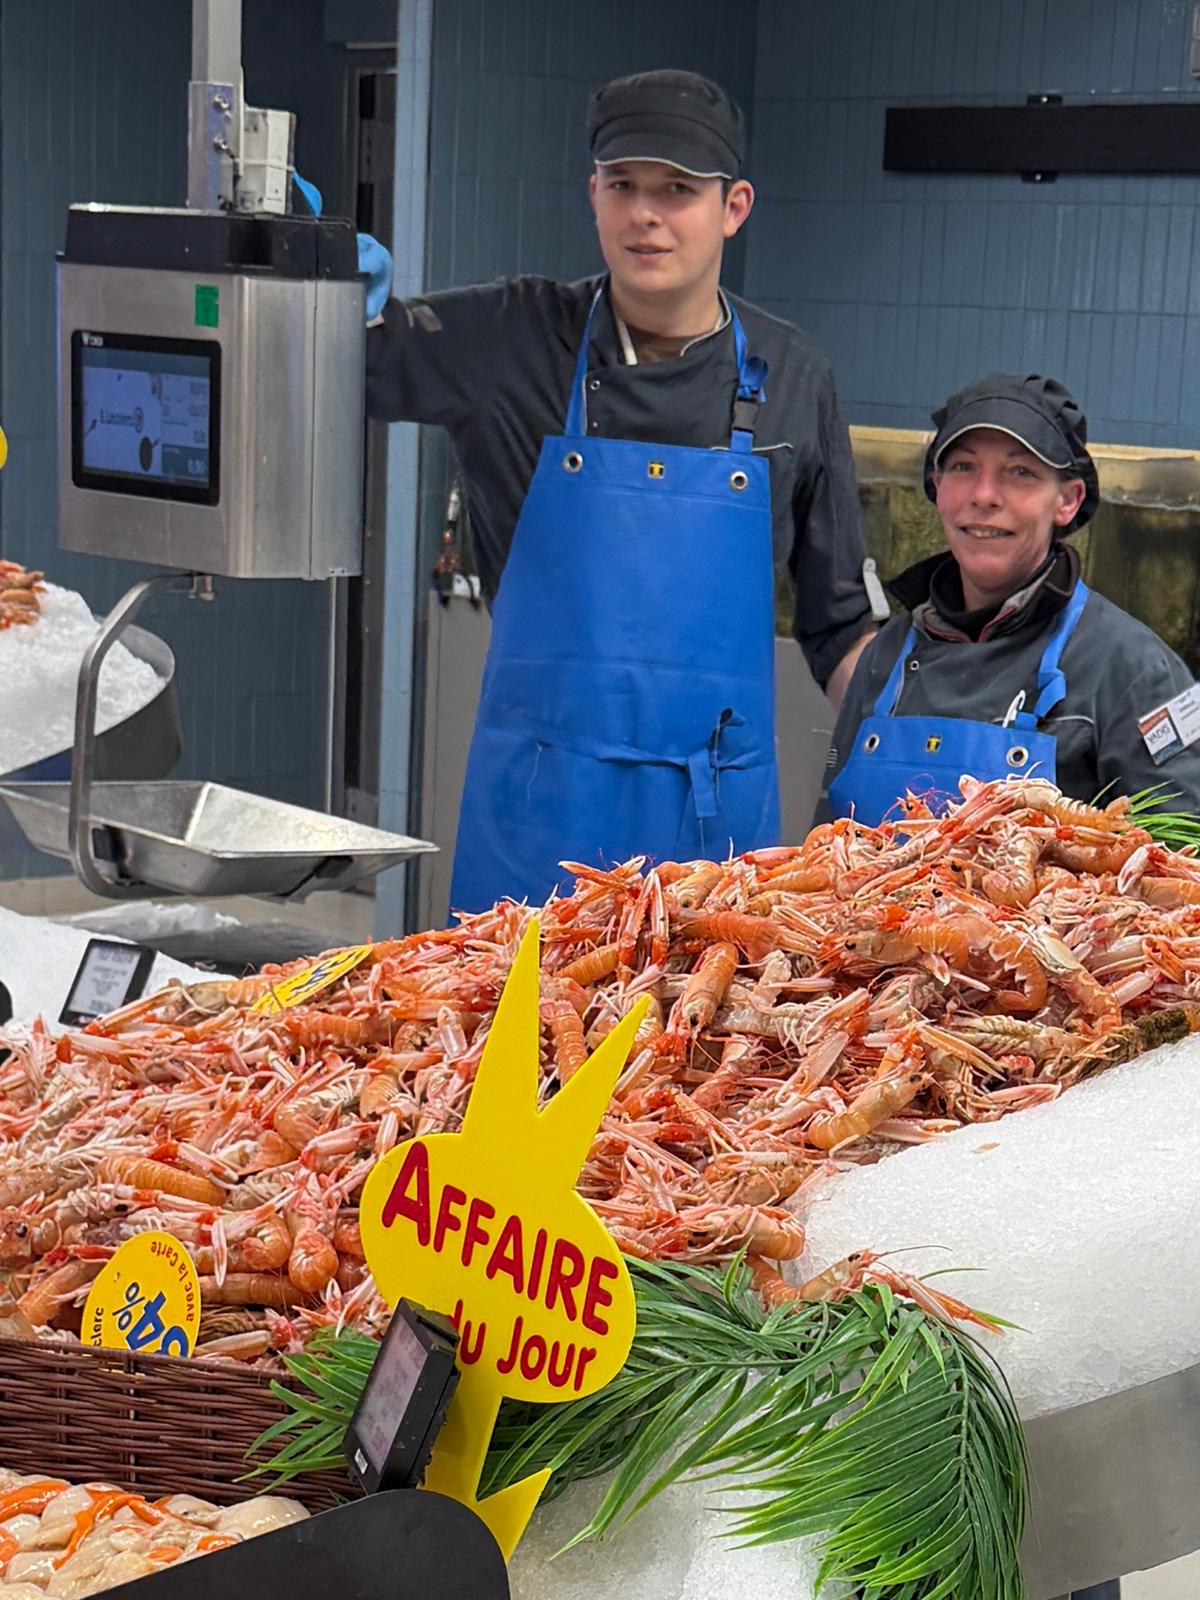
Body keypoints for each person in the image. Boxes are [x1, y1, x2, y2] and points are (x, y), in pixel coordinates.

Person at [361, 69, 878, 912]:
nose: (647, 214)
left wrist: (901, 775)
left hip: (712, 842)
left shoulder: (792, 375)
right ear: (593, 196)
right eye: (624, 186)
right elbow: (339, 361)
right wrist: (301, 282)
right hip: (537, 820)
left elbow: (840, 622)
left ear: (733, 207)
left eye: (677, 190)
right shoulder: (509, 338)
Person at [828, 372, 1200, 826]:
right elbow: (823, 842)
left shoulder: (1137, 670)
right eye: (963, 467)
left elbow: (1181, 860)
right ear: (937, 488)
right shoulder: (883, 656)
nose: (985, 496)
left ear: (1067, 500)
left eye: (1021, 472)